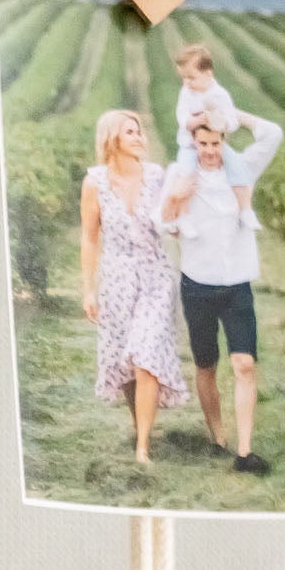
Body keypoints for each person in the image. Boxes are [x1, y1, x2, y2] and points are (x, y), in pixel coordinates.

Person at [160, 105, 284, 471]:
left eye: (216, 142)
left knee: (244, 364)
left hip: (236, 286)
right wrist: (175, 198)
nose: (210, 150)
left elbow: (273, 133)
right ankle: (218, 438)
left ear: (224, 141)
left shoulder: (242, 170)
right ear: (192, 142)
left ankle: (244, 453)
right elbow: (161, 221)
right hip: (197, 285)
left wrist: (234, 112)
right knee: (206, 365)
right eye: (203, 143)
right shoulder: (179, 174)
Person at [77, 107, 188, 471]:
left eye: (141, 131)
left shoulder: (156, 176)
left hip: (155, 275)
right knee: (124, 363)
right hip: (116, 279)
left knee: (145, 357)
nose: (141, 137)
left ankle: (142, 448)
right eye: (131, 132)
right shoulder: (94, 182)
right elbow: (90, 239)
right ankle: (140, 423)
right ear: (113, 139)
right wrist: (89, 290)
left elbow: (172, 218)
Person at [167, 36, 238, 156]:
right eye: (183, 77)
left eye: (191, 78)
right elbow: (182, 116)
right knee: (187, 170)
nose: (186, 82)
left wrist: (221, 123)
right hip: (189, 147)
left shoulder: (220, 95)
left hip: (214, 148)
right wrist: (195, 121)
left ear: (208, 74)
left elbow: (233, 122)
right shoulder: (186, 92)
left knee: (232, 166)